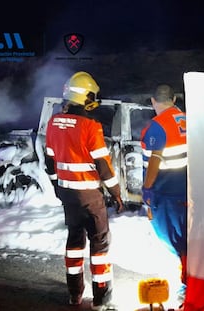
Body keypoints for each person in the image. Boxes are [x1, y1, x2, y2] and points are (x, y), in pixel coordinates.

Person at [44, 71, 123, 311]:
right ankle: (101, 298)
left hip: (68, 195)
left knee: (74, 241)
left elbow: (49, 162)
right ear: (85, 96)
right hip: (90, 196)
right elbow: (104, 167)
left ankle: (74, 294)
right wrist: (116, 193)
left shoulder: (53, 122)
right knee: (99, 246)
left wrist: (58, 186)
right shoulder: (91, 126)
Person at [140, 84, 188, 306]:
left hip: (166, 195)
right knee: (189, 242)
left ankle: (187, 288)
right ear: (175, 99)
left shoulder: (157, 126)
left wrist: (147, 188)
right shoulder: (189, 120)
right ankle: (189, 283)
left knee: (176, 242)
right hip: (189, 190)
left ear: (153, 101)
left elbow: (155, 160)